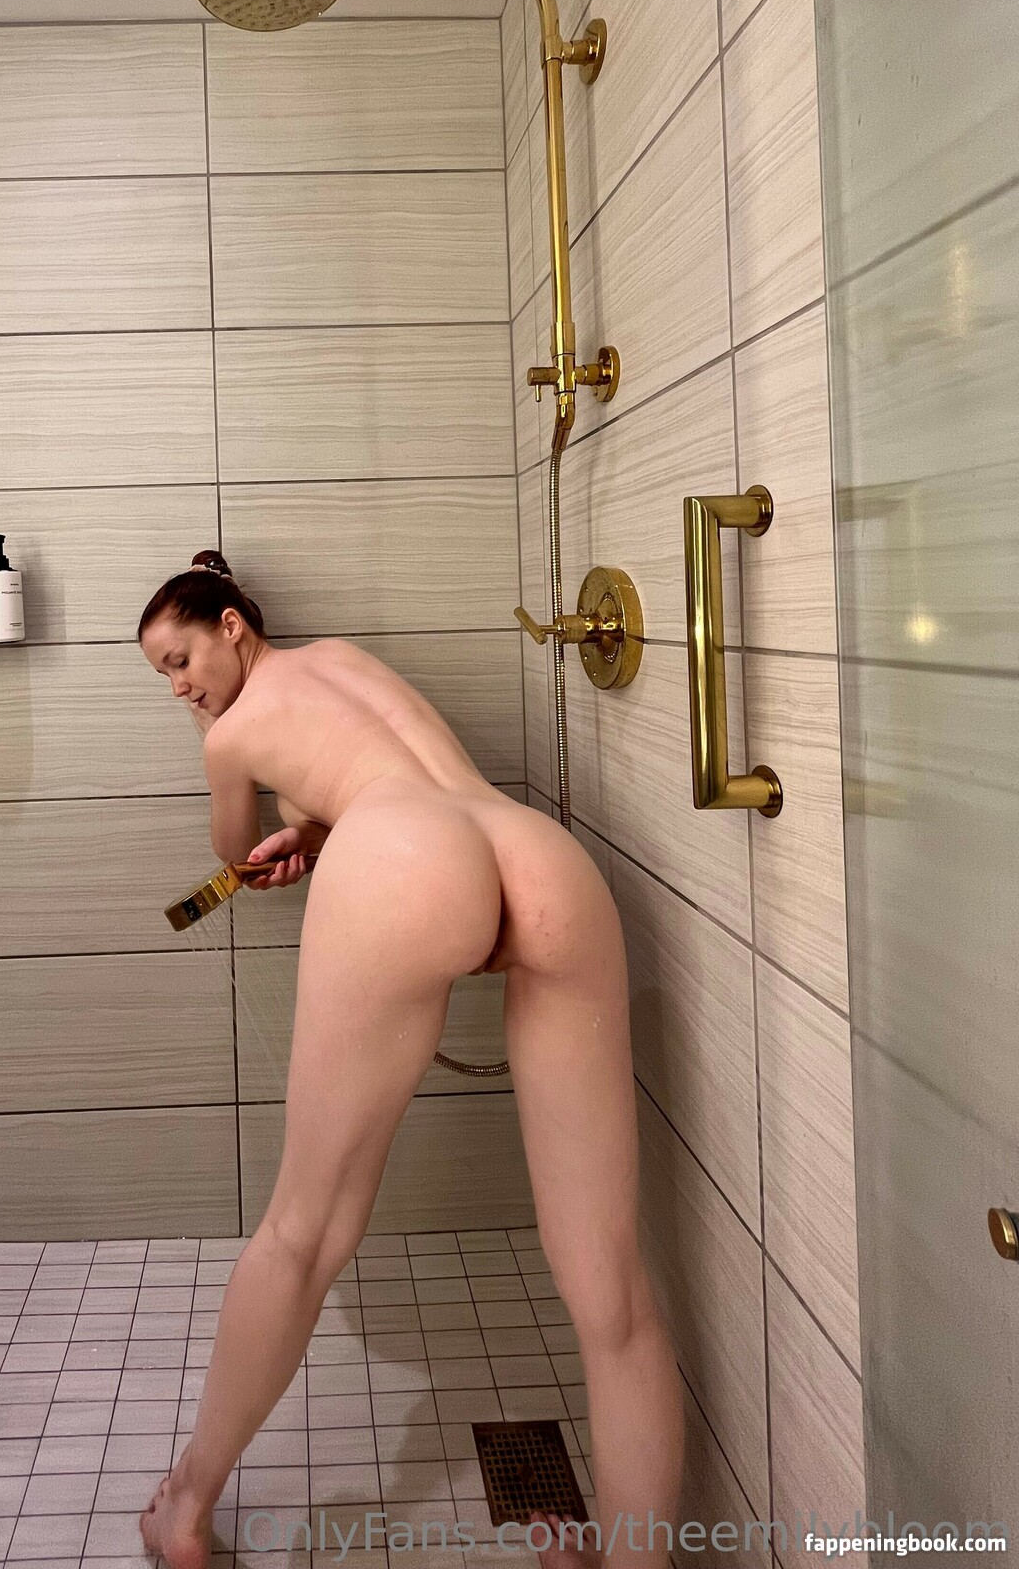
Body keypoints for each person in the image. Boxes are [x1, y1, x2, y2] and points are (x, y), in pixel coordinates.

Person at [135, 551, 682, 1569]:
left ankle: (185, 1505)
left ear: (232, 627)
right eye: (164, 675)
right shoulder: (344, 658)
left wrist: (280, 826)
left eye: (180, 660)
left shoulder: (234, 734)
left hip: (402, 863)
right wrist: (317, 823)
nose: (178, 688)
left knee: (302, 1233)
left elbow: (234, 857)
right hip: (536, 854)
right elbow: (394, 775)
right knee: (613, 1288)